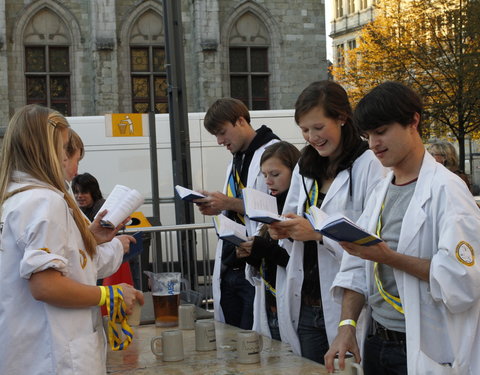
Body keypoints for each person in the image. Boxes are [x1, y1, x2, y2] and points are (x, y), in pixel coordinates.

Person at [324, 82, 480, 375]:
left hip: (422, 348)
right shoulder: (381, 191)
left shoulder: (448, 191)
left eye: (381, 132)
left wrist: (389, 257)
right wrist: (347, 326)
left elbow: (463, 281)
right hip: (375, 342)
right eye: (367, 136)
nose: (373, 144)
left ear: (413, 121)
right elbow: (357, 267)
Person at [0, 104, 144, 375]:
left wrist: (89, 238)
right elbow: (45, 286)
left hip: (27, 350)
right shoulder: (45, 200)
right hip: (54, 354)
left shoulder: (14, 197)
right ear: (47, 148)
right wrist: (110, 294)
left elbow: (51, 261)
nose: (68, 158)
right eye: (64, 146)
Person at [268, 81, 386, 363]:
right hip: (306, 302)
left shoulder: (369, 163)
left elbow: (374, 239)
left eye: (318, 128)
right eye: (305, 130)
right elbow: (292, 211)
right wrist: (281, 228)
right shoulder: (305, 164)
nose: (311, 137)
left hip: (346, 301)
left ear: (342, 118)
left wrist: (319, 236)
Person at [195, 98, 279, 329]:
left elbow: (276, 210)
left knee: (252, 345)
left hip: (254, 267)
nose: (220, 141)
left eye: (222, 132)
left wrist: (230, 203)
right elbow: (236, 206)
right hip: (231, 266)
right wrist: (217, 206)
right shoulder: (237, 159)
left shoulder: (273, 153)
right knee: (231, 342)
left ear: (240, 121)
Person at [236, 141, 301, 340]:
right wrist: (250, 254)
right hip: (270, 307)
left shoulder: (299, 210)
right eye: (264, 175)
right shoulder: (268, 206)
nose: (268, 181)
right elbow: (264, 266)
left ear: (294, 172)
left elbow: (300, 264)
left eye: (275, 174)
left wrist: (263, 248)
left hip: (293, 309)